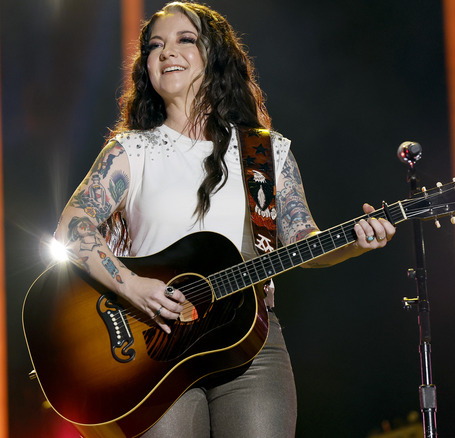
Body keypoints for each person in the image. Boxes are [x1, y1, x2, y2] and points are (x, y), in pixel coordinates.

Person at [54, 2, 395, 436]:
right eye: (154, 46)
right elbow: (72, 224)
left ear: (214, 55)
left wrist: (354, 241)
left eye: (185, 40)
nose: (165, 52)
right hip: (156, 347)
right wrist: (134, 287)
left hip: (251, 342)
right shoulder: (130, 152)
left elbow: (302, 241)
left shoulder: (264, 153)